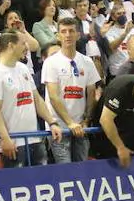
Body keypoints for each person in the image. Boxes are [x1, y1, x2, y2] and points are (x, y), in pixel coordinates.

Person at [0, 28, 64, 168]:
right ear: (11, 45)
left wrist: (52, 122)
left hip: (34, 139)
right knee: (13, 186)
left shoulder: (23, 69)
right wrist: (5, 138)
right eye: (23, 43)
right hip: (13, 143)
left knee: (41, 183)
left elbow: (37, 99)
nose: (26, 47)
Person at [42, 17, 101, 163]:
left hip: (81, 126)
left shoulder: (87, 61)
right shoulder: (51, 62)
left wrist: (86, 120)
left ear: (78, 34)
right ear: (58, 36)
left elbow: (91, 93)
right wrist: (69, 123)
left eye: (71, 31)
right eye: (63, 31)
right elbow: (53, 96)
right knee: (65, 170)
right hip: (60, 128)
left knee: (82, 169)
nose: (68, 35)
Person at [88, 72, 134, 166]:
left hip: (131, 132)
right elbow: (105, 120)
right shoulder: (119, 87)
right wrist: (120, 147)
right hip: (107, 136)